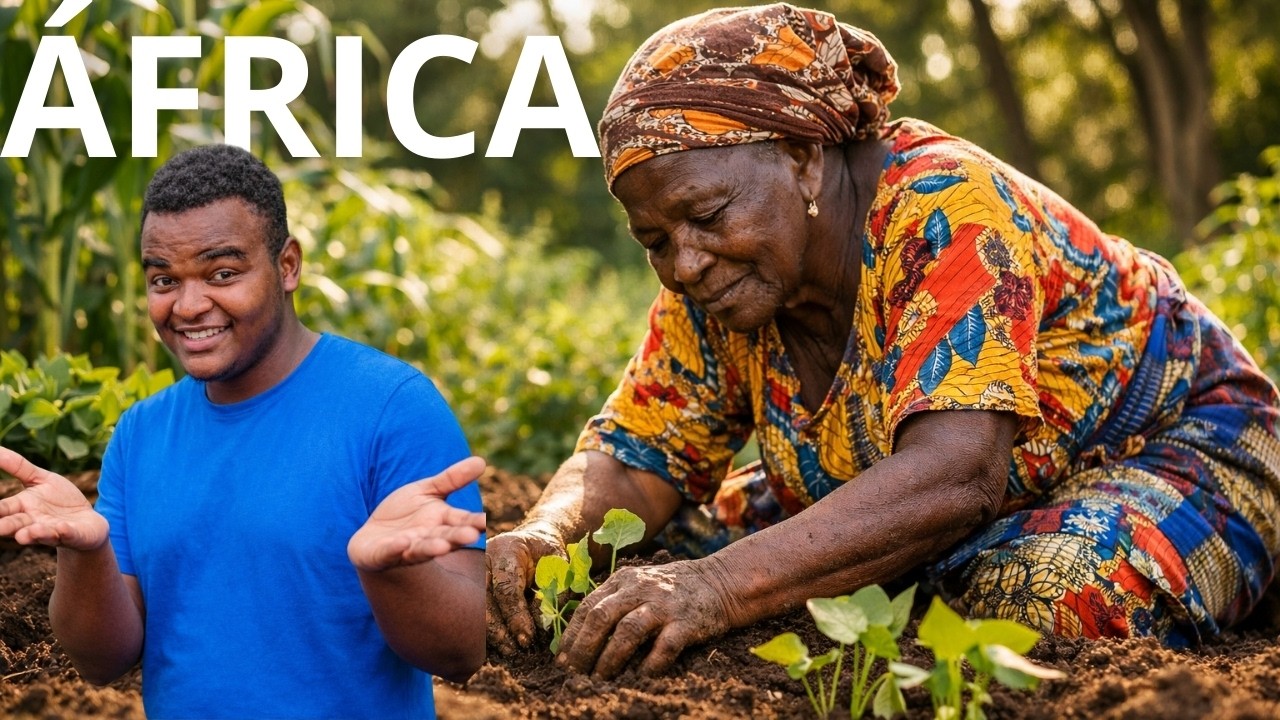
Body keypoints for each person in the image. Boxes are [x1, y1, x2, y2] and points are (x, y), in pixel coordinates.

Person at [487, 2, 1280, 680]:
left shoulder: (942, 207)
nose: (684, 262)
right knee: (630, 564)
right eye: (654, 239)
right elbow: (637, 457)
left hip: (1179, 445)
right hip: (943, 503)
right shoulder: (718, 284)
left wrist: (719, 587)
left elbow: (956, 476)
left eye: (705, 217)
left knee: (1039, 598)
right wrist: (544, 534)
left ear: (801, 158)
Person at [0, 144, 487, 719]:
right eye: (163, 280)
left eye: (222, 273)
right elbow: (104, 661)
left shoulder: (392, 408)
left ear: (287, 266)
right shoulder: (141, 435)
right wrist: (86, 553)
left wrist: (388, 572)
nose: (188, 305)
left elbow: (461, 651)